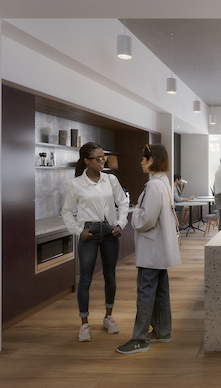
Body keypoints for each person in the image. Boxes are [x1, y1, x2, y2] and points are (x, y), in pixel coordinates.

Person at [60, 142, 129, 342]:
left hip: (109, 232)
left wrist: (120, 224)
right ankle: (84, 324)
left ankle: (109, 317)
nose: (102, 161)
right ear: (86, 161)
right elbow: (66, 211)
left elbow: (123, 203)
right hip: (88, 233)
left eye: (103, 157)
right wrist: (77, 231)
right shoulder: (76, 184)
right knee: (85, 280)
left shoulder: (111, 179)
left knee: (110, 276)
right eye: (97, 158)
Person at [117, 144, 181, 354]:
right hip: (160, 247)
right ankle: (163, 332)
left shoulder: (153, 186)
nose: (141, 162)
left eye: (143, 159)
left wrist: (135, 212)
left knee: (145, 291)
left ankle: (140, 339)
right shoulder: (163, 183)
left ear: (151, 160)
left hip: (152, 249)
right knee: (160, 291)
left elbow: (147, 219)